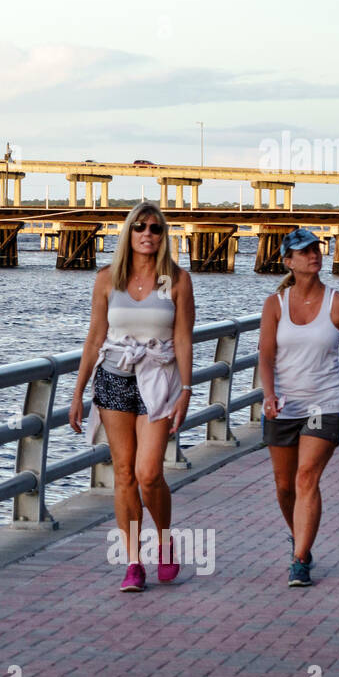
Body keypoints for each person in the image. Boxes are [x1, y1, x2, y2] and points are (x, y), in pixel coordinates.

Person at [68, 202, 194, 592]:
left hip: (158, 378)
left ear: (163, 236)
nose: (147, 234)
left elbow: (184, 338)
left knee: (148, 473)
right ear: (128, 232)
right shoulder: (108, 279)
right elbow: (94, 337)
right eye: (139, 227)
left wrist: (187, 390)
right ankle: (134, 563)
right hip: (113, 379)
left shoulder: (175, 280)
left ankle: (165, 540)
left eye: (155, 228)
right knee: (123, 474)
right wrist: (77, 391)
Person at [258, 228, 339, 588]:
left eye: (317, 248)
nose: (314, 254)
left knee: (306, 476)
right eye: (304, 250)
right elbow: (265, 356)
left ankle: (299, 559)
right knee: (284, 487)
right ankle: (301, 540)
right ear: (288, 261)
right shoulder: (275, 305)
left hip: (325, 404)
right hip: (283, 405)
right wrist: (268, 394)